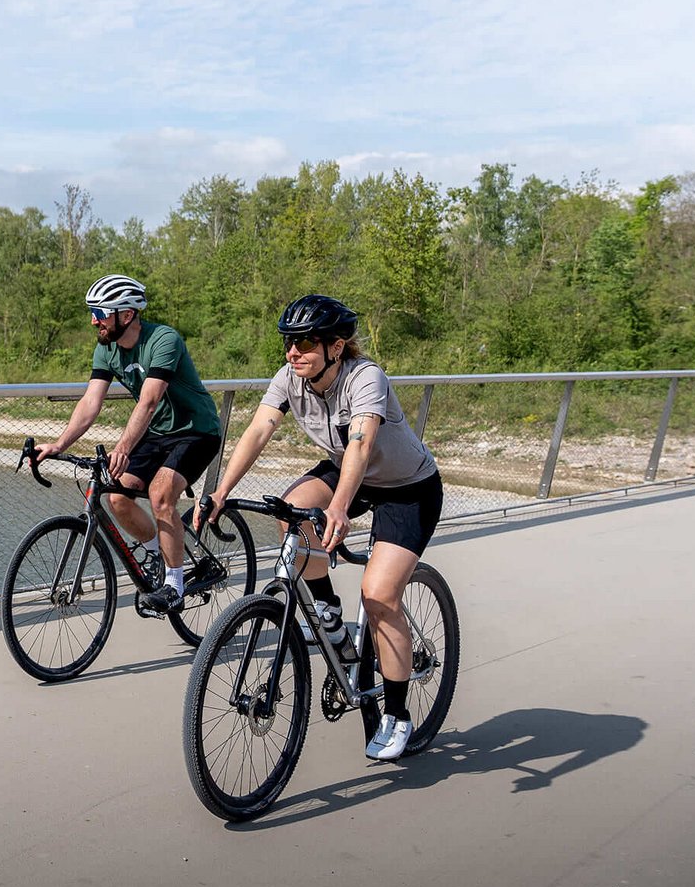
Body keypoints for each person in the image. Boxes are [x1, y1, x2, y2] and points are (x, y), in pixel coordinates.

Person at [200, 294, 444, 762]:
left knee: (378, 596)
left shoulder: (364, 377)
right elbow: (257, 431)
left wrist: (339, 508)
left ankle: (396, 714)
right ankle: (328, 610)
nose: (294, 352)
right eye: (289, 342)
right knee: (290, 509)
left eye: (306, 342)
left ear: (336, 345)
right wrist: (221, 491)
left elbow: (361, 442)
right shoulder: (290, 377)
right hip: (345, 469)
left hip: (406, 486)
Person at [34, 274, 224, 615]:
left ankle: (174, 586)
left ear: (127, 314)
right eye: (93, 312)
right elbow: (91, 402)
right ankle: (156, 552)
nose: (94, 320)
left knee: (160, 495)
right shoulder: (106, 348)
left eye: (101, 312)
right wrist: (59, 444)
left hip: (197, 430)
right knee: (118, 496)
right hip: (157, 433)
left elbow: (149, 401)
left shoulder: (163, 339)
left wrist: (122, 448)